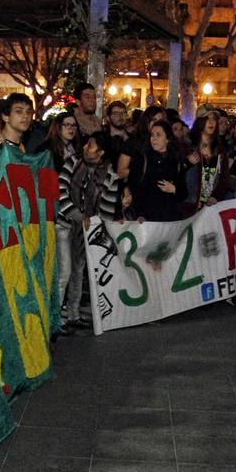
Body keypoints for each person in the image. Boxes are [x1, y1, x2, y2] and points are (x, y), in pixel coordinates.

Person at [56, 130, 118, 328]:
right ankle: (55, 317)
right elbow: (60, 194)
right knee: (64, 271)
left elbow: (107, 209)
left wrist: (97, 228)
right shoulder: (71, 163)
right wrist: (78, 215)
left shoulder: (109, 175)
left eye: (89, 146)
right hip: (64, 225)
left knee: (79, 269)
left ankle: (73, 314)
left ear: (100, 152)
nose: (84, 147)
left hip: (86, 229)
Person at [123, 121, 187, 222]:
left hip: (169, 221)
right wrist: (140, 214)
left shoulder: (176, 161)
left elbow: (184, 192)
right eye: (152, 135)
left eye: (159, 135)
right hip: (146, 221)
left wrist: (174, 189)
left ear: (167, 139)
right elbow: (134, 189)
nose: (154, 139)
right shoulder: (143, 159)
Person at [187, 110, 230, 207]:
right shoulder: (188, 147)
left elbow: (224, 177)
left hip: (212, 205)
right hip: (192, 204)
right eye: (207, 119)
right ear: (199, 121)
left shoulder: (220, 150)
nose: (211, 122)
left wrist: (216, 196)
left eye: (214, 119)